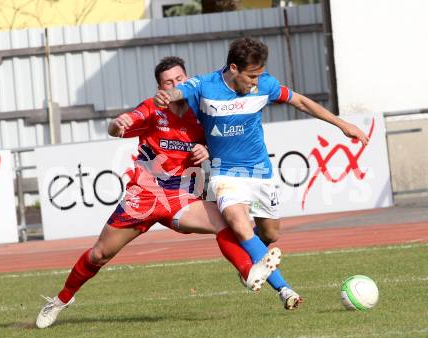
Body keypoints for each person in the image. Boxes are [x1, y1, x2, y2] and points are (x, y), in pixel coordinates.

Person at [35, 56, 282, 329]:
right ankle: (60, 300)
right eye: (169, 82)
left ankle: (248, 273)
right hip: (144, 197)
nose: (175, 84)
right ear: (161, 88)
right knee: (99, 255)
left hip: (182, 198)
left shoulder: (203, 110)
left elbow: (223, 142)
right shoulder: (153, 108)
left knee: (229, 222)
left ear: (187, 80)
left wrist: (208, 149)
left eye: (179, 79)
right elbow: (119, 126)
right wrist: (119, 123)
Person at [154, 37, 370, 310]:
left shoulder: (264, 85)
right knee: (237, 221)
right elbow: (179, 92)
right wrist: (167, 95)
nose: (256, 82)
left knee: (270, 234)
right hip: (225, 173)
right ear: (233, 68)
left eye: (259, 75)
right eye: (251, 76)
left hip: (259, 172)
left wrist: (342, 124)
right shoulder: (206, 85)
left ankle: (251, 256)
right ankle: (285, 290)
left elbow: (301, 101)